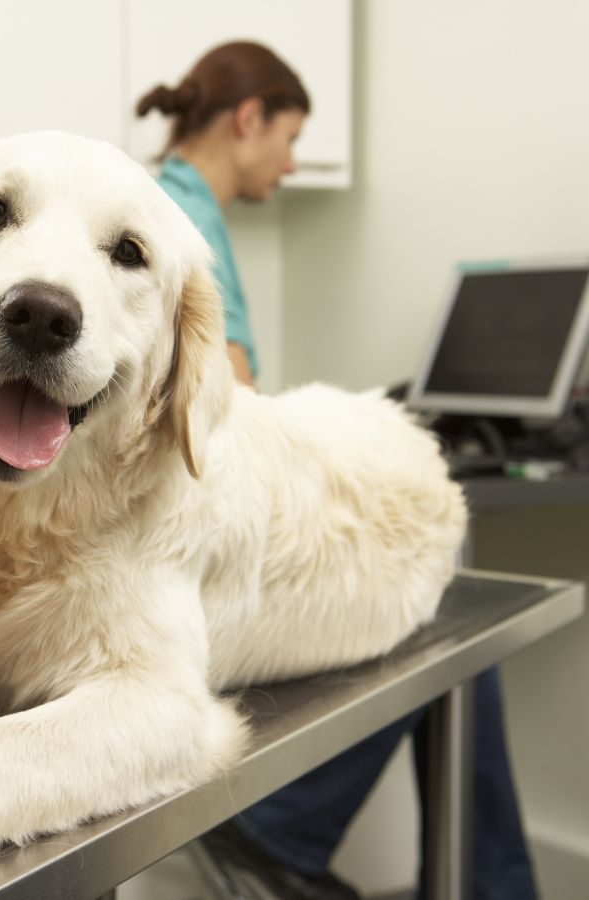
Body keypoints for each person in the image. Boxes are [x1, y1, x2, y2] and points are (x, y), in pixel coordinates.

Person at [136, 42, 537, 900]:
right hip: (181, 561)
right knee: (437, 594)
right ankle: (285, 832)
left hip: (172, 544)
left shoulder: (165, 204)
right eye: (288, 137)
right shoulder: (183, 223)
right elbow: (225, 419)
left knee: (437, 599)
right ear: (249, 120)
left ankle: (311, 837)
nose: (290, 162)